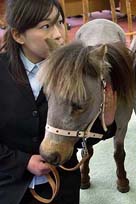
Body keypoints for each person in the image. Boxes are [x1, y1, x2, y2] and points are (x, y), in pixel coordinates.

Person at [0, 0, 117, 203]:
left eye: (60, 23)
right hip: (8, 187)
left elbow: (83, 139)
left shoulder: (78, 71)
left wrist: (106, 121)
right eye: (46, 26)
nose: (58, 34)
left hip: (64, 186)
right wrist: (23, 162)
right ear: (18, 35)